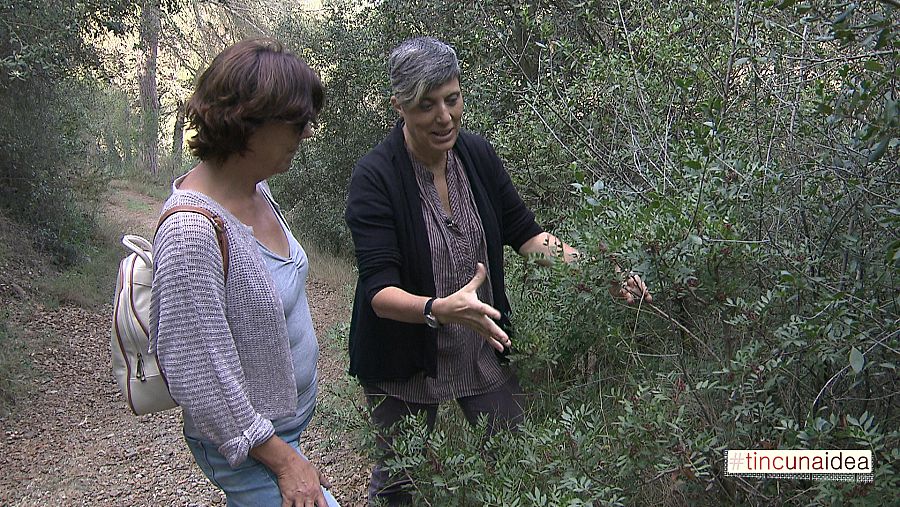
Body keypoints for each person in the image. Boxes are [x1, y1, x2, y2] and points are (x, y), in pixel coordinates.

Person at [344, 36, 651, 504]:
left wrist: (601, 274)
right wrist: (439, 309)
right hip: (402, 355)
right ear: (400, 107)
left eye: (452, 99)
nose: (444, 117)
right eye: (427, 106)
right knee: (399, 482)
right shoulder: (375, 177)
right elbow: (379, 291)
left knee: (516, 459)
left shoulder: (476, 155)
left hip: (479, 343)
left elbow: (527, 235)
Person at [149, 38, 339, 507]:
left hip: (279, 431)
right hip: (249, 446)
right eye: (296, 122)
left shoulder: (257, 190)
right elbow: (199, 373)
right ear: (249, 121)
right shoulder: (192, 231)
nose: (306, 133)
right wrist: (284, 461)